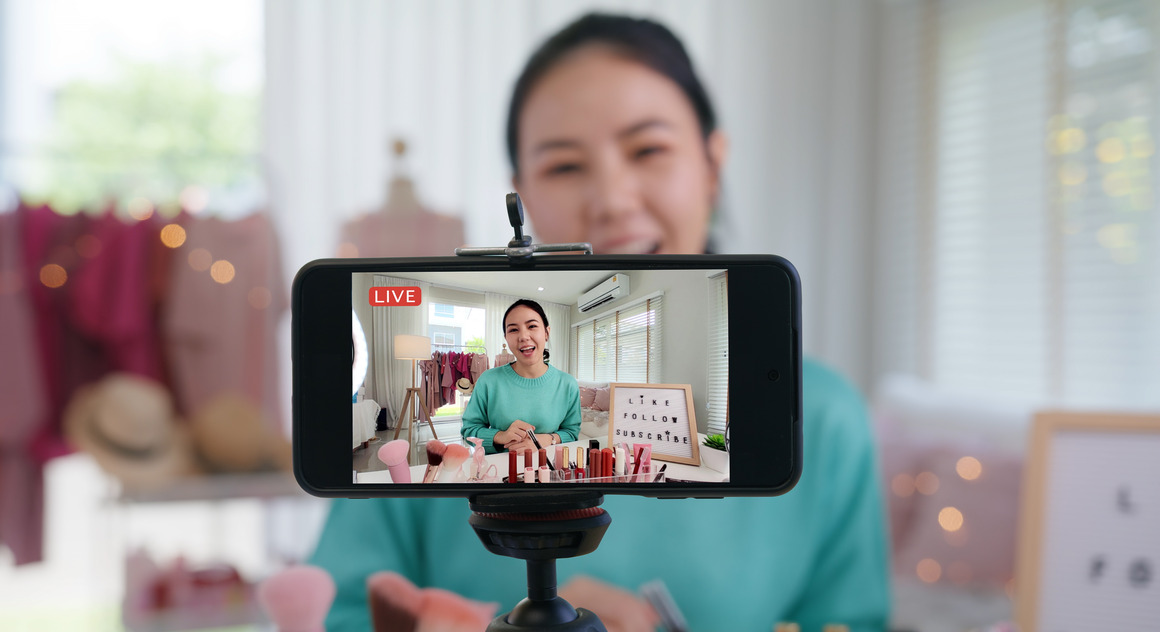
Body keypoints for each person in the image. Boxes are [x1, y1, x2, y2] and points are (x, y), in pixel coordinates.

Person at [311, 13, 890, 632]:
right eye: (565, 165)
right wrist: (498, 440)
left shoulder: (827, 421)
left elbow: (574, 433)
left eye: (649, 150)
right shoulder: (471, 400)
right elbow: (336, 611)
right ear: (522, 192)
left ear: (712, 164)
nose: (613, 200)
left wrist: (550, 444)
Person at [460, 299, 580, 453]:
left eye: (532, 326)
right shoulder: (488, 381)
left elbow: (571, 433)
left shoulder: (567, 384)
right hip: (500, 466)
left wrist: (548, 439)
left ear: (546, 333)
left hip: (548, 465)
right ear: (506, 337)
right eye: (513, 330)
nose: (523, 336)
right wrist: (500, 436)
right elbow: (469, 431)